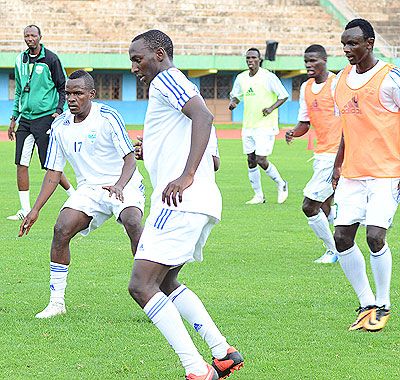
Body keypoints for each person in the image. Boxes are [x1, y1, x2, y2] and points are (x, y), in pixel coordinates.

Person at [128, 30, 243, 380]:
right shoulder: (181, 88)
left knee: (141, 285)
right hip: (200, 202)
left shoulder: (166, 80)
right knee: (165, 283)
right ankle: (223, 353)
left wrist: (186, 174)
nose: (134, 67)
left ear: (159, 54)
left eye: (138, 58)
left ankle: (197, 370)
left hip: (179, 201)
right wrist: (159, 152)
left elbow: (204, 119)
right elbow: (216, 157)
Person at [18, 70, 145, 319]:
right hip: (89, 189)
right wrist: (35, 209)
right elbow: (54, 172)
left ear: (91, 94)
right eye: (68, 94)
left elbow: (130, 160)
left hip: (123, 182)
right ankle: (56, 302)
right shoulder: (59, 125)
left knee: (133, 222)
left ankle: (153, 295)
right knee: (61, 228)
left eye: (78, 93)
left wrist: (119, 186)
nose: (72, 98)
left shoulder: (108, 116)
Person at [332, 18, 400, 331]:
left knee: (374, 236)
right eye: (344, 44)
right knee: (342, 237)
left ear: (369, 43)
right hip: (353, 172)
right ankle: (366, 302)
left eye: (353, 43)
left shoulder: (390, 78)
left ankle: (383, 304)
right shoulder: (340, 80)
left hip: (387, 171)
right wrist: (337, 164)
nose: (347, 49)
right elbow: (348, 126)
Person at [8, 25, 74, 221]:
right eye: (26, 35)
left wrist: (58, 111)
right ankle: (24, 209)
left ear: (40, 37)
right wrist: (13, 118)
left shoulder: (51, 59)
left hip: (45, 117)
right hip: (25, 119)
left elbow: (63, 87)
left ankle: (74, 195)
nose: (30, 39)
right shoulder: (20, 60)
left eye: (33, 35)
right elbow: (19, 91)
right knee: (21, 162)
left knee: (49, 164)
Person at [285, 44, 342, 264]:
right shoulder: (306, 87)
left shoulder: (336, 84)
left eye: (313, 61)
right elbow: (304, 123)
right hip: (321, 154)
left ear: (324, 60)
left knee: (309, 205)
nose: (309, 65)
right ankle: (344, 243)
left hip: (336, 154)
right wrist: (293, 132)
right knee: (326, 203)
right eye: (306, 61)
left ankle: (334, 249)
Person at [229, 47, 289, 204]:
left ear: (259, 60)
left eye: (253, 58)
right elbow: (236, 96)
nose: (250, 60)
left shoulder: (268, 77)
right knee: (251, 159)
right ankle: (259, 196)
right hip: (248, 125)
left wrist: (270, 108)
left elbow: (284, 95)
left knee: (262, 159)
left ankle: (281, 183)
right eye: (248, 58)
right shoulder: (241, 78)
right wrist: (233, 103)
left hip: (265, 125)